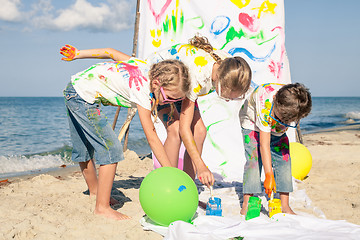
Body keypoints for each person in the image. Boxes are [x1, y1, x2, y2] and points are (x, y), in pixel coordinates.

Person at [60, 35, 252, 188]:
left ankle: (186, 184)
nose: (228, 99)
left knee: (199, 130)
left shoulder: (230, 66)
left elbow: (112, 52)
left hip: (167, 83)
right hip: (164, 86)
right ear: (220, 79)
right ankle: (170, 180)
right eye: (227, 94)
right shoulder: (188, 79)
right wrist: (201, 165)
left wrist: (78, 53)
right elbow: (170, 132)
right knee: (176, 129)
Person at [62, 55, 190, 220]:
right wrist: (171, 173)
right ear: (157, 83)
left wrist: (79, 53)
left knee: (84, 147)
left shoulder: (149, 68)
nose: (169, 102)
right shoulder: (141, 89)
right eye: (169, 98)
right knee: (111, 149)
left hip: (74, 89)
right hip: (82, 98)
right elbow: (151, 136)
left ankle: (95, 192)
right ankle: (102, 207)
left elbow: (109, 51)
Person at [239, 83, 312, 215]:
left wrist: (281, 122)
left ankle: (285, 204)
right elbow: (264, 145)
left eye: (288, 121)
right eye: (280, 118)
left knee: (284, 158)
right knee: (254, 159)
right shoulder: (265, 104)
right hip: (252, 123)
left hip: (275, 129)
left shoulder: (292, 102)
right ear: (275, 100)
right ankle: (247, 202)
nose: (284, 122)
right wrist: (268, 175)